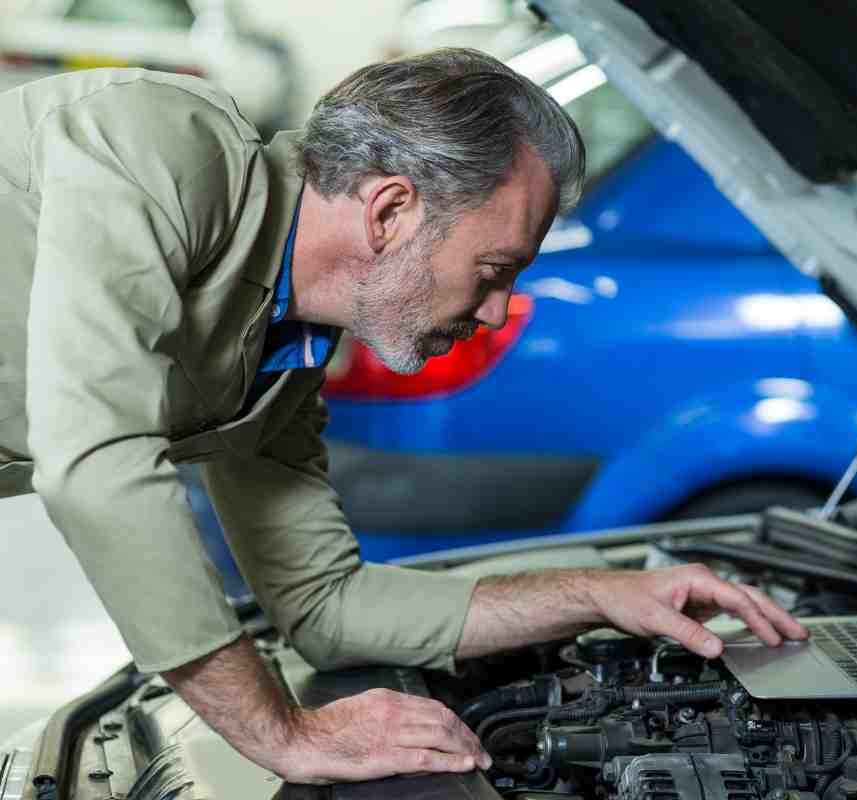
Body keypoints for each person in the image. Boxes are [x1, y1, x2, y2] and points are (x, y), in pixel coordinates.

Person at [0, 48, 807, 783]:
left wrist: (601, 594)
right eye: (495, 270)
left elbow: (327, 607)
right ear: (390, 212)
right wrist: (283, 730)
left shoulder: (285, 364)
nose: (496, 313)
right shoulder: (157, 146)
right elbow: (97, 465)